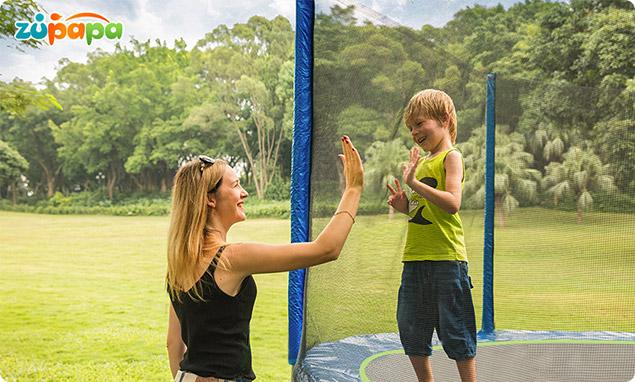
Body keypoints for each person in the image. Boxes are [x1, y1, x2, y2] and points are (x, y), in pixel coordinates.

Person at [166, 136, 363, 382]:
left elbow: (173, 344)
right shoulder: (232, 258)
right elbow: (326, 249)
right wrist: (353, 189)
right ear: (211, 199)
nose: (244, 192)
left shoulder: (178, 262)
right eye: (236, 185)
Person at [386, 89, 477, 382]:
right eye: (410, 127)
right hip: (414, 259)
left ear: (444, 119)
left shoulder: (452, 157)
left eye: (419, 123)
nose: (414, 132)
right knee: (411, 327)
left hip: (446, 261)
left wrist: (413, 181)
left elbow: (452, 203)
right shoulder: (421, 162)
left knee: (456, 329)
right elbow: (423, 209)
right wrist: (405, 205)